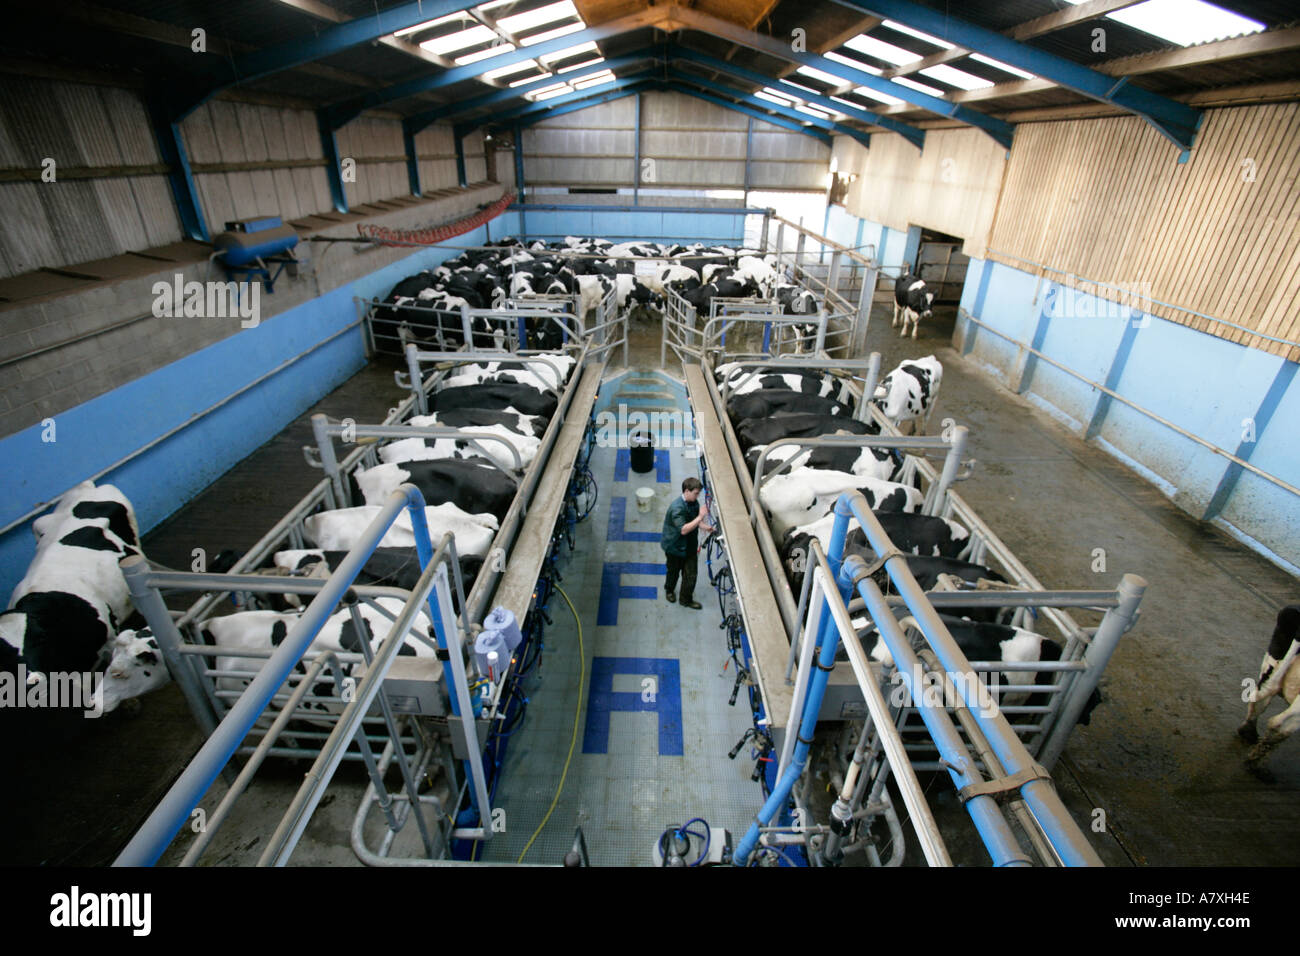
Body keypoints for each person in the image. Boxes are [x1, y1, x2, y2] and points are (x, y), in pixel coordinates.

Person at [660, 477, 712, 610]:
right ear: (687, 491)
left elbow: (694, 520)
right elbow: (683, 529)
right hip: (675, 548)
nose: (697, 496)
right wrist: (700, 516)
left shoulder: (693, 502)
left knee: (691, 574)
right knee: (673, 571)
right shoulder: (677, 508)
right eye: (695, 493)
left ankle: (685, 599)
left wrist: (705, 527)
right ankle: (669, 590)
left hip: (689, 546)